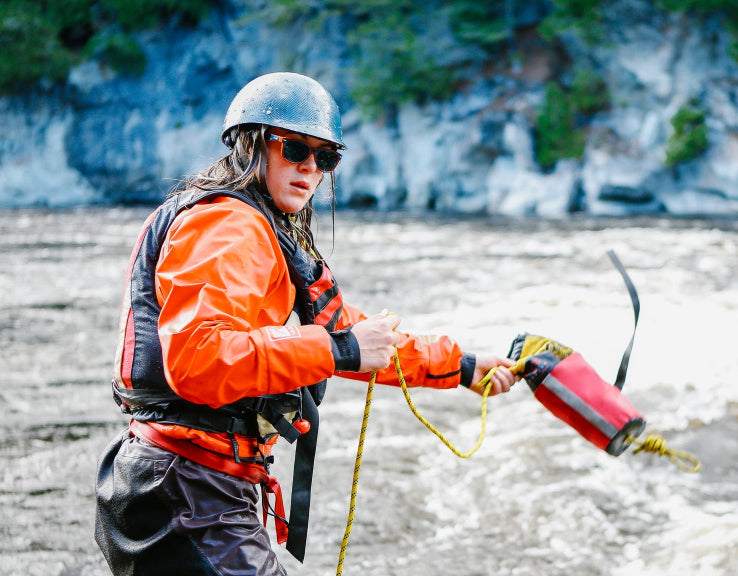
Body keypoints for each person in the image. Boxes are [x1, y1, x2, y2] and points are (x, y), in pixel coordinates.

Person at [94, 72, 518, 575]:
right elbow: (199, 360)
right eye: (295, 149)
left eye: (326, 158)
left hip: (195, 487)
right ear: (251, 145)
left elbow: (354, 336)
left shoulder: (260, 225)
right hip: (184, 489)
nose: (310, 169)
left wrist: (464, 367)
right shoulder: (227, 226)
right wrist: (338, 350)